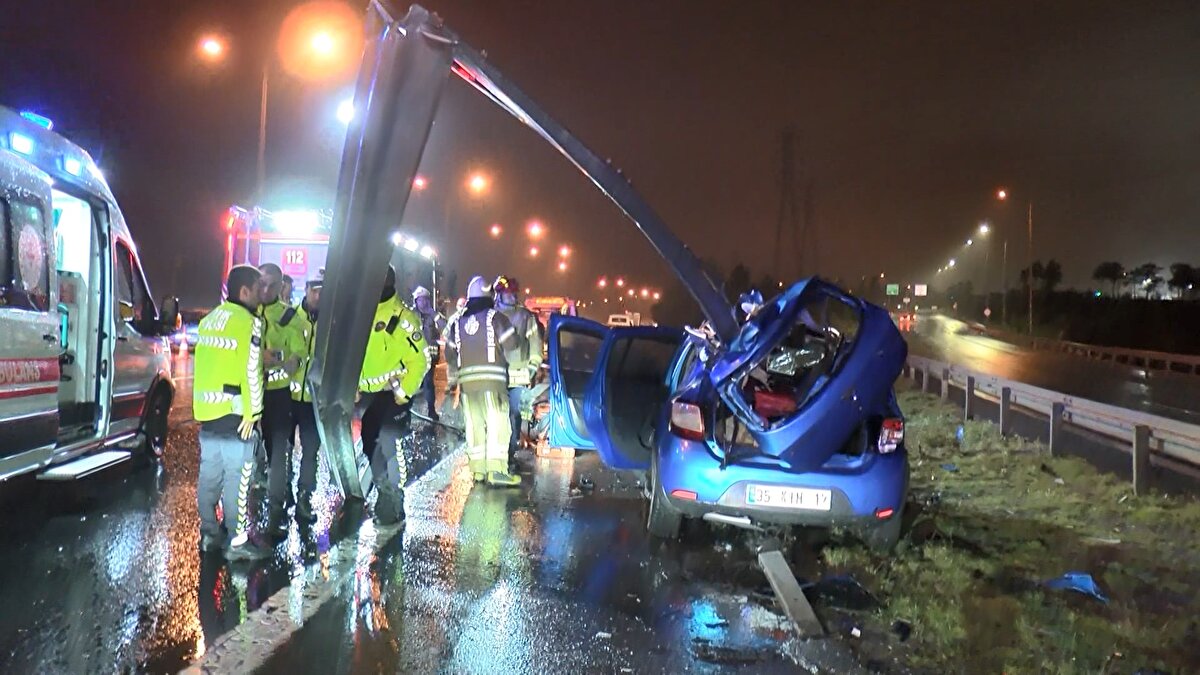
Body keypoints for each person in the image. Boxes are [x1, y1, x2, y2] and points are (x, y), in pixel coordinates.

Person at [194, 265, 271, 560]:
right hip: (238, 415)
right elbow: (252, 370)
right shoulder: (248, 323)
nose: (262, 295)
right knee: (237, 478)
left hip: (208, 413)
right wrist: (254, 412)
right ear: (244, 292)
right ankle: (237, 542)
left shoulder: (209, 320)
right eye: (259, 289)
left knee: (209, 476)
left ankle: (209, 533)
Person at [357, 265, 430, 526]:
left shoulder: (403, 317)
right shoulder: (362, 314)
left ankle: (394, 499)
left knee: (390, 444)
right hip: (367, 398)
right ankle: (383, 489)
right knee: (369, 444)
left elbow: (421, 360)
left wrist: (403, 391)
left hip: (392, 396)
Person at [444, 276, 522, 487]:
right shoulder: (496, 318)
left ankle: (478, 471)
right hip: (492, 385)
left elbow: (449, 355)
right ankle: (496, 470)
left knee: (474, 426)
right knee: (498, 425)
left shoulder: (457, 323)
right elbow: (512, 345)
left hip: (468, 388)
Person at [257, 263, 300, 538]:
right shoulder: (247, 313)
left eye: (271, 284)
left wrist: (271, 358)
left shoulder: (288, 317)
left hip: (278, 396)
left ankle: (278, 509)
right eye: (261, 283)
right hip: (251, 396)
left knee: (278, 450)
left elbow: (295, 359)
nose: (265, 289)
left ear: (281, 286)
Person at [282, 274, 322, 524]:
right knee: (284, 449)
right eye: (315, 290)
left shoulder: (330, 323)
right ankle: (284, 491)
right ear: (306, 290)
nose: (319, 296)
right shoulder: (289, 318)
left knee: (311, 451)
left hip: (312, 401)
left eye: (323, 291)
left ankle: (305, 497)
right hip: (287, 396)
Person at [492, 276, 541, 465]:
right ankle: (499, 451)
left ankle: (510, 453)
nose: (512, 297)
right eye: (508, 294)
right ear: (499, 295)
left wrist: (531, 369)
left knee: (514, 415)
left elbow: (536, 345)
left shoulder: (525, 316)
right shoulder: (492, 315)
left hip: (519, 377)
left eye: (514, 293)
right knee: (497, 415)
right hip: (496, 376)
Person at [412, 286, 445, 421]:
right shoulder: (411, 315)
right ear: (416, 301)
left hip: (430, 357)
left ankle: (431, 410)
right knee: (412, 384)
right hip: (414, 357)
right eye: (420, 300)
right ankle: (404, 413)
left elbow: (445, 327)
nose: (423, 303)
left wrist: (433, 314)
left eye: (426, 300)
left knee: (428, 384)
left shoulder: (434, 315)